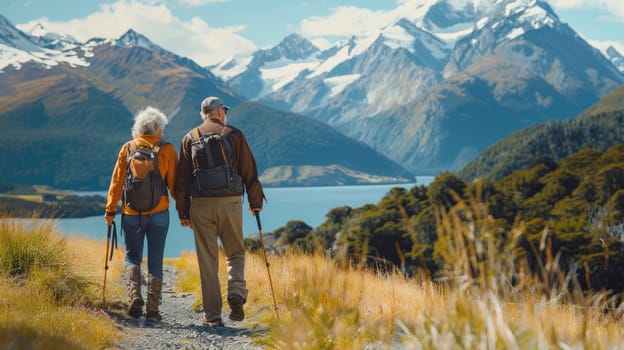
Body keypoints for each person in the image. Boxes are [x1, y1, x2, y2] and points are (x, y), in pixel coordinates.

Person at [175, 96, 265, 327]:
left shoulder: (190, 137)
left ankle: (213, 317)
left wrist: (183, 212)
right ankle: (236, 292)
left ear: (203, 113)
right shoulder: (233, 134)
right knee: (235, 253)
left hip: (200, 205)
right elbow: (249, 170)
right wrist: (255, 202)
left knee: (207, 261)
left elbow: (182, 181)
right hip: (230, 202)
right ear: (220, 112)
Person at [104, 106, 178, 322]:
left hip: (131, 213)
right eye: (161, 128)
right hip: (159, 213)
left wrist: (110, 210)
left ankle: (135, 298)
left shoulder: (128, 148)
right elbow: (175, 184)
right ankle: (153, 311)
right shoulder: (166, 149)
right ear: (156, 129)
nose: (163, 132)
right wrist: (185, 211)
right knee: (156, 262)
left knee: (132, 256)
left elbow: (117, 182)